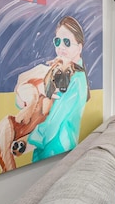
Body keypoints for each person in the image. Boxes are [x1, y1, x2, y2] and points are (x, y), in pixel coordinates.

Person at [28, 16, 90, 162]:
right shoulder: (55, 70)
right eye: (57, 41)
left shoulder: (76, 78)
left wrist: (29, 140)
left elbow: (54, 120)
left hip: (56, 148)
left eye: (67, 42)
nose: (61, 47)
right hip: (48, 148)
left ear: (79, 47)